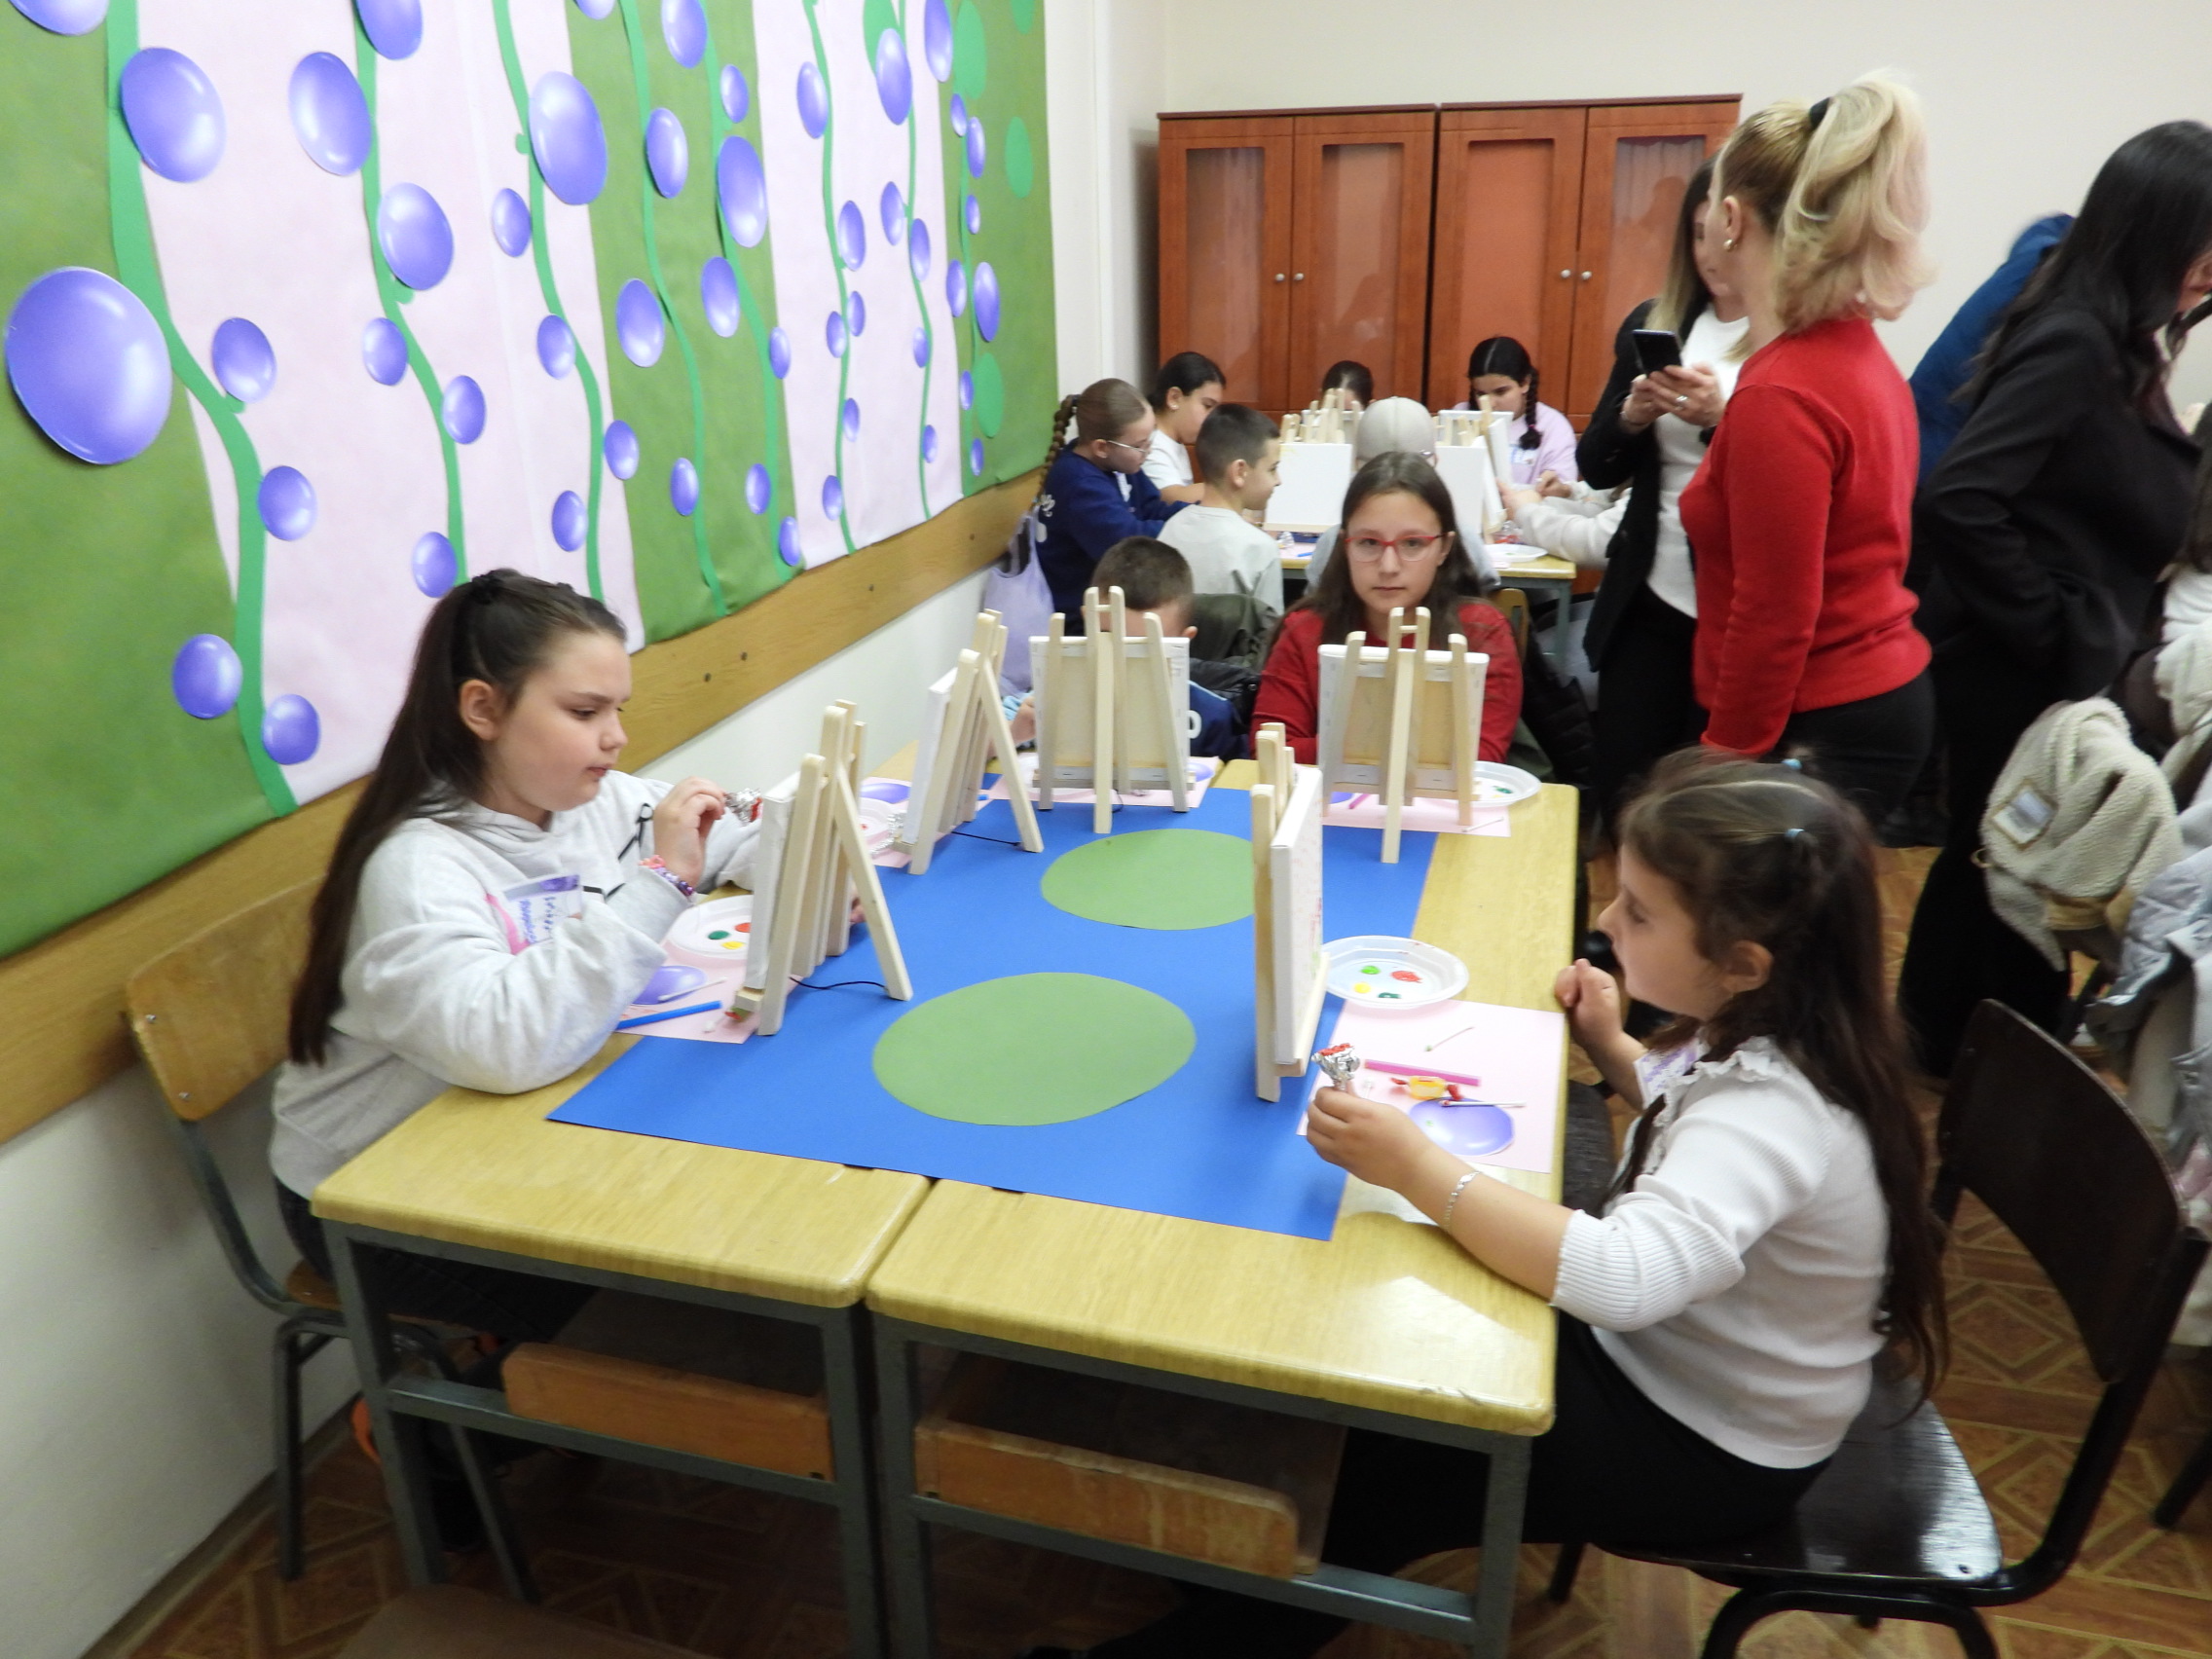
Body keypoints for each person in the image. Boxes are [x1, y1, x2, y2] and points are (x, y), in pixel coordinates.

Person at [1043, 754, 1946, 1659]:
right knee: (1382, 1433)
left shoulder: (1773, 1112)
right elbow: (1687, 1122)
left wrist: (1416, 1165)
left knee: (1392, 1486)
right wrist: (1610, 1044)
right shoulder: (1778, 1039)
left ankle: (1223, 1612)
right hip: (1678, 1377)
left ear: (1744, 964)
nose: (1606, 921)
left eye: (1638, 911)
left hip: (1707, 1448)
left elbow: (1624, 1278)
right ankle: (1247, 1571)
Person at [275, 571, 761, 1339]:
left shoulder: (589, 799)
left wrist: (794, 847)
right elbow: (503, 1047)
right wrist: (663, 880)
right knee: (666, 1284)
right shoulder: (419, 867)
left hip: (494, 1137)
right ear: (483, 709)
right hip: (369, 1196)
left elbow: (734, 837)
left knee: (702, 1226)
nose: (615, 737)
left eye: (619, 710)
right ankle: (481, 1410)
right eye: (585, 712)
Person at [1899, 121, 2212, 1075]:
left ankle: (1955, 1045)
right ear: (2158, 230)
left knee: (1990, 860)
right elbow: (1961, 495)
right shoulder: (2077, 337)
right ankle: (1982, 1063)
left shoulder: (2116, 335)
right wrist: (2050, 627)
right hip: (2013, 662)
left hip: (2038, 658)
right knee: (2006, 866)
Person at [1679, 77, 1936, 824]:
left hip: (1819, 719)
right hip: (1868, 700)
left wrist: (1723, 759)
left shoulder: (1780, 392)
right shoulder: (1854, 352)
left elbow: (1775, 612)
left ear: (1730, 219)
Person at [1574, 155, 1751, 826]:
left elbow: (1781, 479)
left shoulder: (1782, 341)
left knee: (1701, 808)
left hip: (1731, 606)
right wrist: (1632, 417)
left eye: (1722, 236)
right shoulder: (1659, 320)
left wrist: (1720, 422)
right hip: (1648, 593)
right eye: (1696, 235)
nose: (1709, 254)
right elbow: (1596, 466)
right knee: (1625, 788)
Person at [1253, 452, 1520, 765]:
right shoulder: (1304, 631)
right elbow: (1271, 752)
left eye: (1412, 543)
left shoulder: (1481, 632)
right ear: (1345, 544)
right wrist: (1406, 743)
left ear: (1444, 548)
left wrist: (1355, 743)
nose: (1388, 567)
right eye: (1369, 543)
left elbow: (1481, 761)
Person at [1009, 537, 1250, 759]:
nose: (1122, 659)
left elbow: (1236, 781)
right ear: (1087, 620)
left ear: (1183, 641)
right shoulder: (1052, 694)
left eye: (1145, 647)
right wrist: (1014, 733)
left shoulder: (1212, 714)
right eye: (1107, 637)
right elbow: (988, 743)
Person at [1909, 213, 2074, 482]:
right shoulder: (2055, 282)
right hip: (1935, 465)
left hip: (1913, 439)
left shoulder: (2042, 251)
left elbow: (2044, 227)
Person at [1036, 379, 1187, 618]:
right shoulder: (1078, 484)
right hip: (1080, 617)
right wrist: (1190, 529)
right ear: (1102, 448)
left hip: (1112, 601)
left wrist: (1200, 514)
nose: (1148, 451)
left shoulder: (1119, 463)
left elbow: (1152, 507)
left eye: (1150, 438)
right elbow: (1129, 545)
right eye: (1140, 445)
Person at [1157, 402, 1286, 616]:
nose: (1278, 480)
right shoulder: (1261, 549)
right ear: (1240, 472)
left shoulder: (1170, 531)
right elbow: (1269, 630)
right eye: (1272, 469)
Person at [1454, 335, 1578, 486]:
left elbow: (1563, 485)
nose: (1490, 404)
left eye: (1500, 392)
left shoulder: (1553, 425)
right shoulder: (1459, 417)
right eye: (1480, 394)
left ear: (1525, 383)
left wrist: (1555, 487)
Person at [1139, 351, 1223, 503]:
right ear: (1174, 398)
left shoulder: (1174, 441)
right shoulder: (1150, 443)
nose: (1211, 418)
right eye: (1207, 406)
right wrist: (1232, 484)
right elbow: (1172, 497)